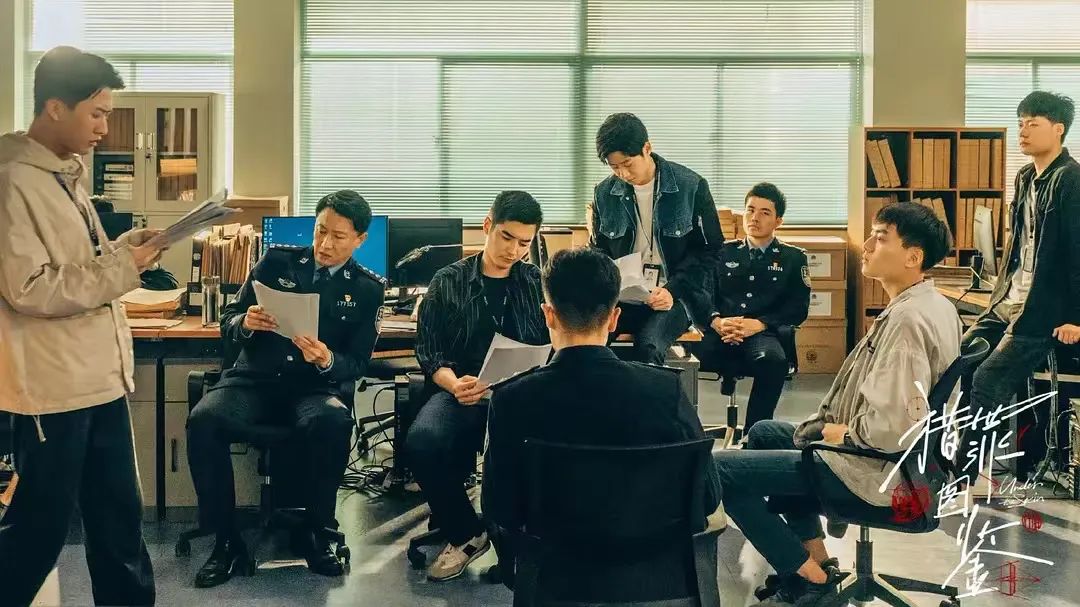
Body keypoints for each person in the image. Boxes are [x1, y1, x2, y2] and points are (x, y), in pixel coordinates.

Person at [712, 202, 960, 606]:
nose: (867, 245)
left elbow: (891, 431)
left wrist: (832, 431)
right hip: (907, 466)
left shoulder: (907, 323)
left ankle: (807, 576)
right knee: (764, 432)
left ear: (913, 257)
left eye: (881, 238)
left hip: (873, 470)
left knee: (719, 471)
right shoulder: (933, 304)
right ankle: (819, 561)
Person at [0, 46, 161, 606]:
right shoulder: (13, 181)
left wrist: (124, 249)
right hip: (54, 388)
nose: (104, 128)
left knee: (120, 522)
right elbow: (31, 288)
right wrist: (122, 268)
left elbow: (80, 264)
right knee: (38, 530)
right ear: (54, 107)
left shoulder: (64, 175)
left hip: (101, 380)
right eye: (95, 114)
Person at [483, 247, 722, 591]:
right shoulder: (666, 390)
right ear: (614, 318)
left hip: (555, 573)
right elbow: (708, 495)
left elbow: (500, 508)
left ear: (548, 315)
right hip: (655, 572)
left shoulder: (511, 399)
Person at [186, 189, 385, 587]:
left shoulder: (367, 288)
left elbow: (357, 363)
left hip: (313, 388)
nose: (325, 244)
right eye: (320, 231)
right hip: (255, 380)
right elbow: (228, 319)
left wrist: (327, 359)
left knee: (332, 422)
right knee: (204, 420)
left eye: (338, 236)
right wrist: (245, 323)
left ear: (360, 239)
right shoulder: (276, 261)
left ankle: (316, 532)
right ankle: (225, 540)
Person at [409, 190, 549, 582]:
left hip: (520, 393)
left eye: (524, 243)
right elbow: (430, 353)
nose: (514, 251)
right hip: (461, 391)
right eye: (507, 237)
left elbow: (552, 343)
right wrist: (454, 385)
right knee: (423, 442)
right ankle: (466, 532)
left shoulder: (536, 283)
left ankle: (522, 544)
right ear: (488, 226)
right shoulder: (448, 281)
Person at [961, 91, 1080, 487]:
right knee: (962, 358)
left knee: (987, 379)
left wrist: (1076, 318)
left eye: (1034, 123)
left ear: (1058, 129)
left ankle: (966, 472)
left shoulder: (1071, 180)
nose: (1023, 131)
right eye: (1021, 123)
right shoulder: (1026, 176)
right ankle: (960, 458)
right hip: (1008, 300)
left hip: (1041, 311)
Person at [589, 112, 723, 365]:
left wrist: (672, 290)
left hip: (675, 297)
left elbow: (710, 250)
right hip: (622, 297)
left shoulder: (691, 186)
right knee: (587, 344)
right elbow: (598, 251)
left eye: (628, 164)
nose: (623, 174)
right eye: (614, 167)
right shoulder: (604, 193)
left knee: (649, 348)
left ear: (647, 148)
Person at [693, 182, 811, 433]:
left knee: (774, 362)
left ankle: (754, 434)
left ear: (778, 221)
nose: (754, 218)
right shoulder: (721, 252)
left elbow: (798, 308)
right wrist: (716, 321)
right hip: (718, 330)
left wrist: (759, 324)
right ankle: (687, 433)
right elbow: (702, 294)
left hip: (761, 334)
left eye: (764, 212)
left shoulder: (793, 258)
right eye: (750, 210)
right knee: (677, 360)